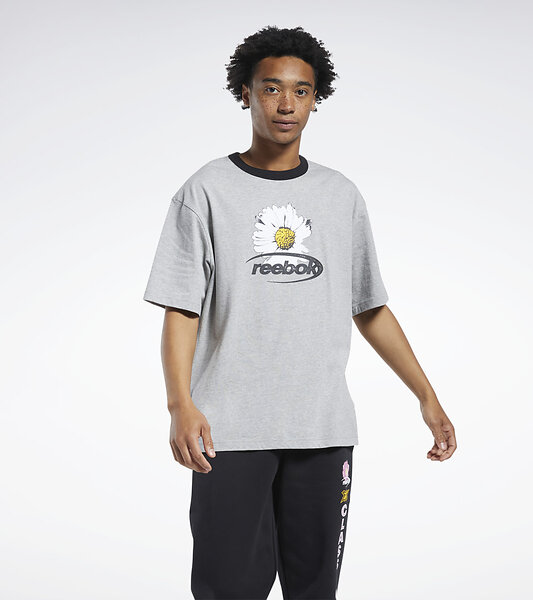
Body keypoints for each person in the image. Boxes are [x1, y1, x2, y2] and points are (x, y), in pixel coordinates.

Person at [143, 25, 456, 600]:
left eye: (301, 91)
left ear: (316, 99)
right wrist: (179, 405)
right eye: (271, 88)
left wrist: (426, 396)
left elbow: (370, 307)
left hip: (323, 430)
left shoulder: (341, 196)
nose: (286, 104)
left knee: (315, 590)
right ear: (245, 93)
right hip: (229, 433)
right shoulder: (205, 191)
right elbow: (182, 309)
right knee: (228, 589)